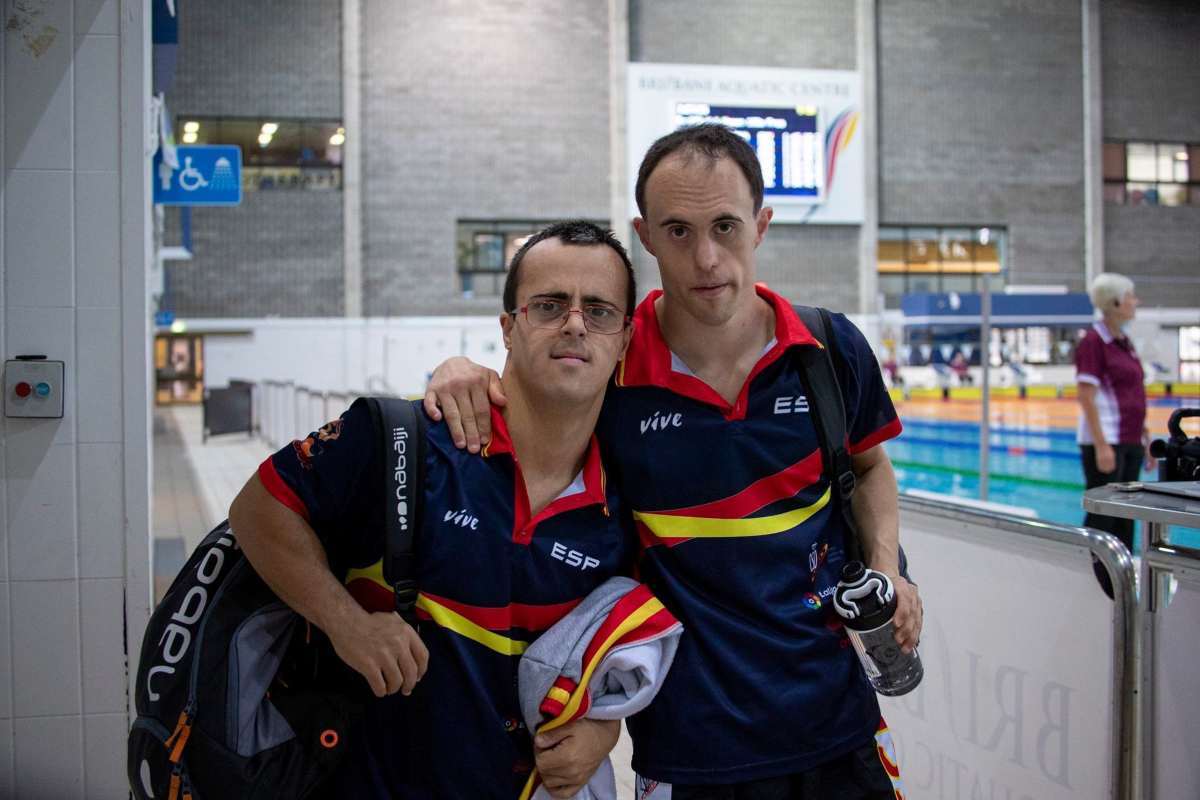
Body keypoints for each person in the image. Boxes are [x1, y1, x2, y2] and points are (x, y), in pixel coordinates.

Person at [426, 124, 922, 799]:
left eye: (725, 226)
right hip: (691, 750)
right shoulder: (612, 372)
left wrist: (891, 570)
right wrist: (458, 371)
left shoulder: (828, 351)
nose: (706, 259)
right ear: (646, 234)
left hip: (840, 726)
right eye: (679, 231)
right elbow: (531, 401)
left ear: (762, 225)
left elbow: (868, 469)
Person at [229, 221, 640, 799]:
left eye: (598, 310)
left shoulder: (625, 507)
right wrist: (345, 622)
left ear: (624, 339)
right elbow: (258, 507)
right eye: (549, 305)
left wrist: (603, 723)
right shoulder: (406, 441)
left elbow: (617, 653)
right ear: (508, 328)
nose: (575, 322)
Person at [1075, 272, 1154, 550]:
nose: (1136, 301)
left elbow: (1133, 391)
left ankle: (1121, 584)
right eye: (1131, 296)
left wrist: (1143, 436)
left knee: (1126, 518)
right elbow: (1086, 396)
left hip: (1129, 440)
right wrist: (1101, 445)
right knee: (1104, 517)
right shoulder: (1094, 341)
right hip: (1107, 441)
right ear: (1116, 302)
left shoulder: (1125, 343)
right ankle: (1091, 576)